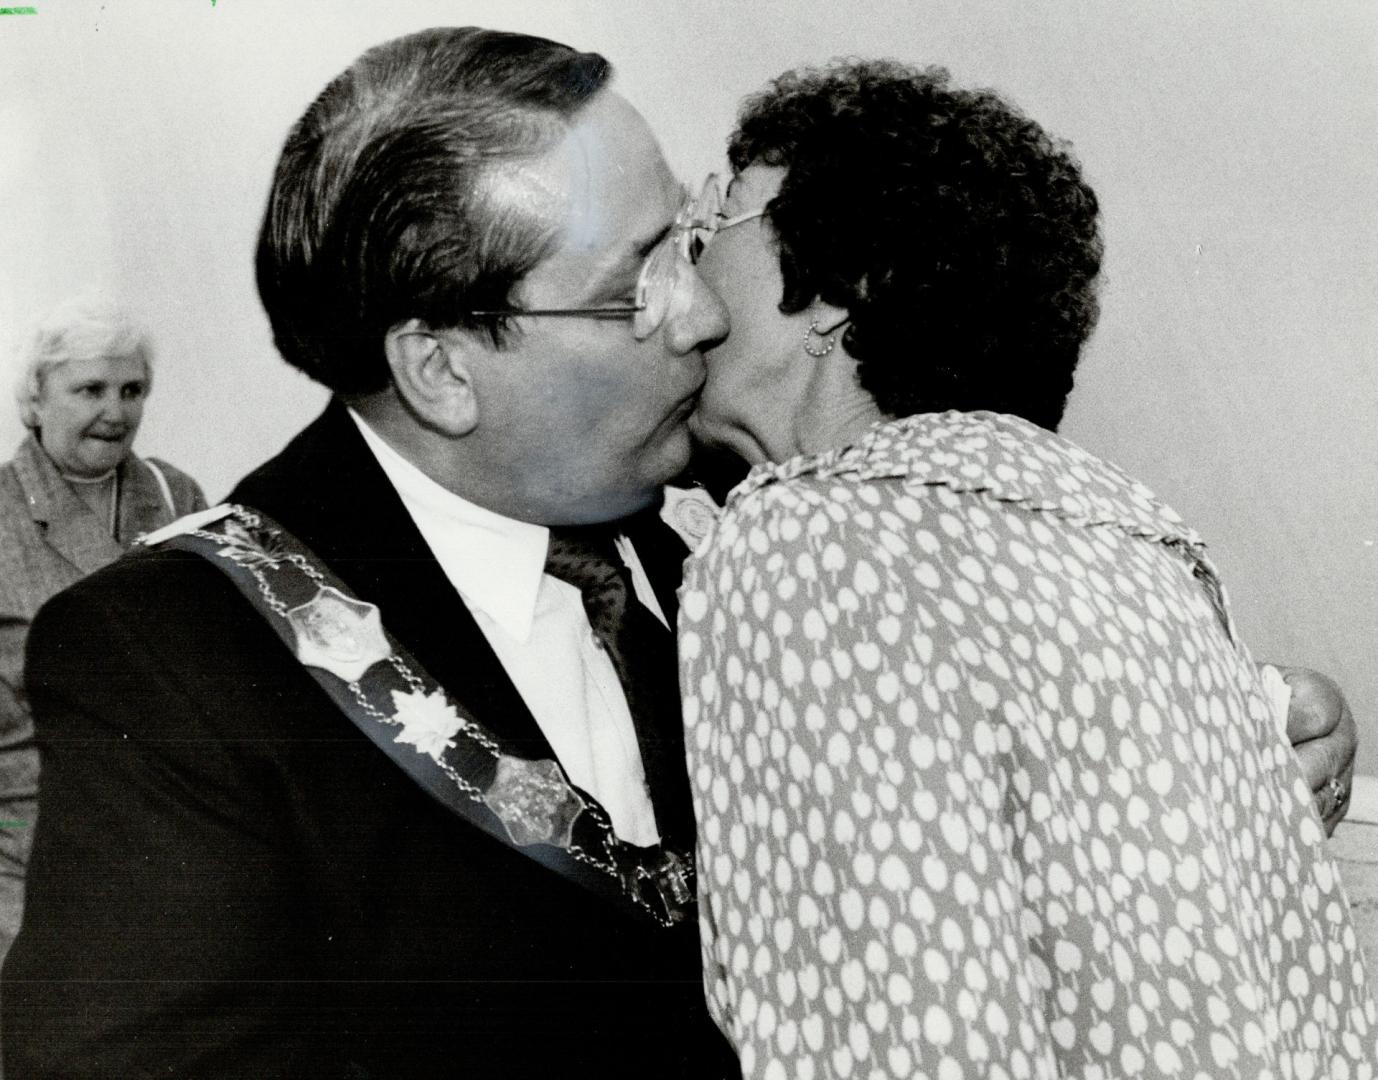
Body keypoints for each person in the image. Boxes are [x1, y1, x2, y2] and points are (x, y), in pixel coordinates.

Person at [2, 28, 736, 1080]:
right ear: (440, 370)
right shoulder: (180, 662)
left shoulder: (731, 527)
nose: (703, 315)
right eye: (637, 282)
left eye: (689, 240)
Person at [678, 60, 1377, 1078]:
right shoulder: (1135, 544)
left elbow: (892, 1044)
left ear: (836, 289)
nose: (686, 274)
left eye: (718, 224)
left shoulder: (807, 547)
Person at [0, 296, 205, 961]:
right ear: (33, 401)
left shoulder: (179, 497)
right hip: (29, 856)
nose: (115, 412)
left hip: (167, 842)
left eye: (132, 390)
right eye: (90, 389)